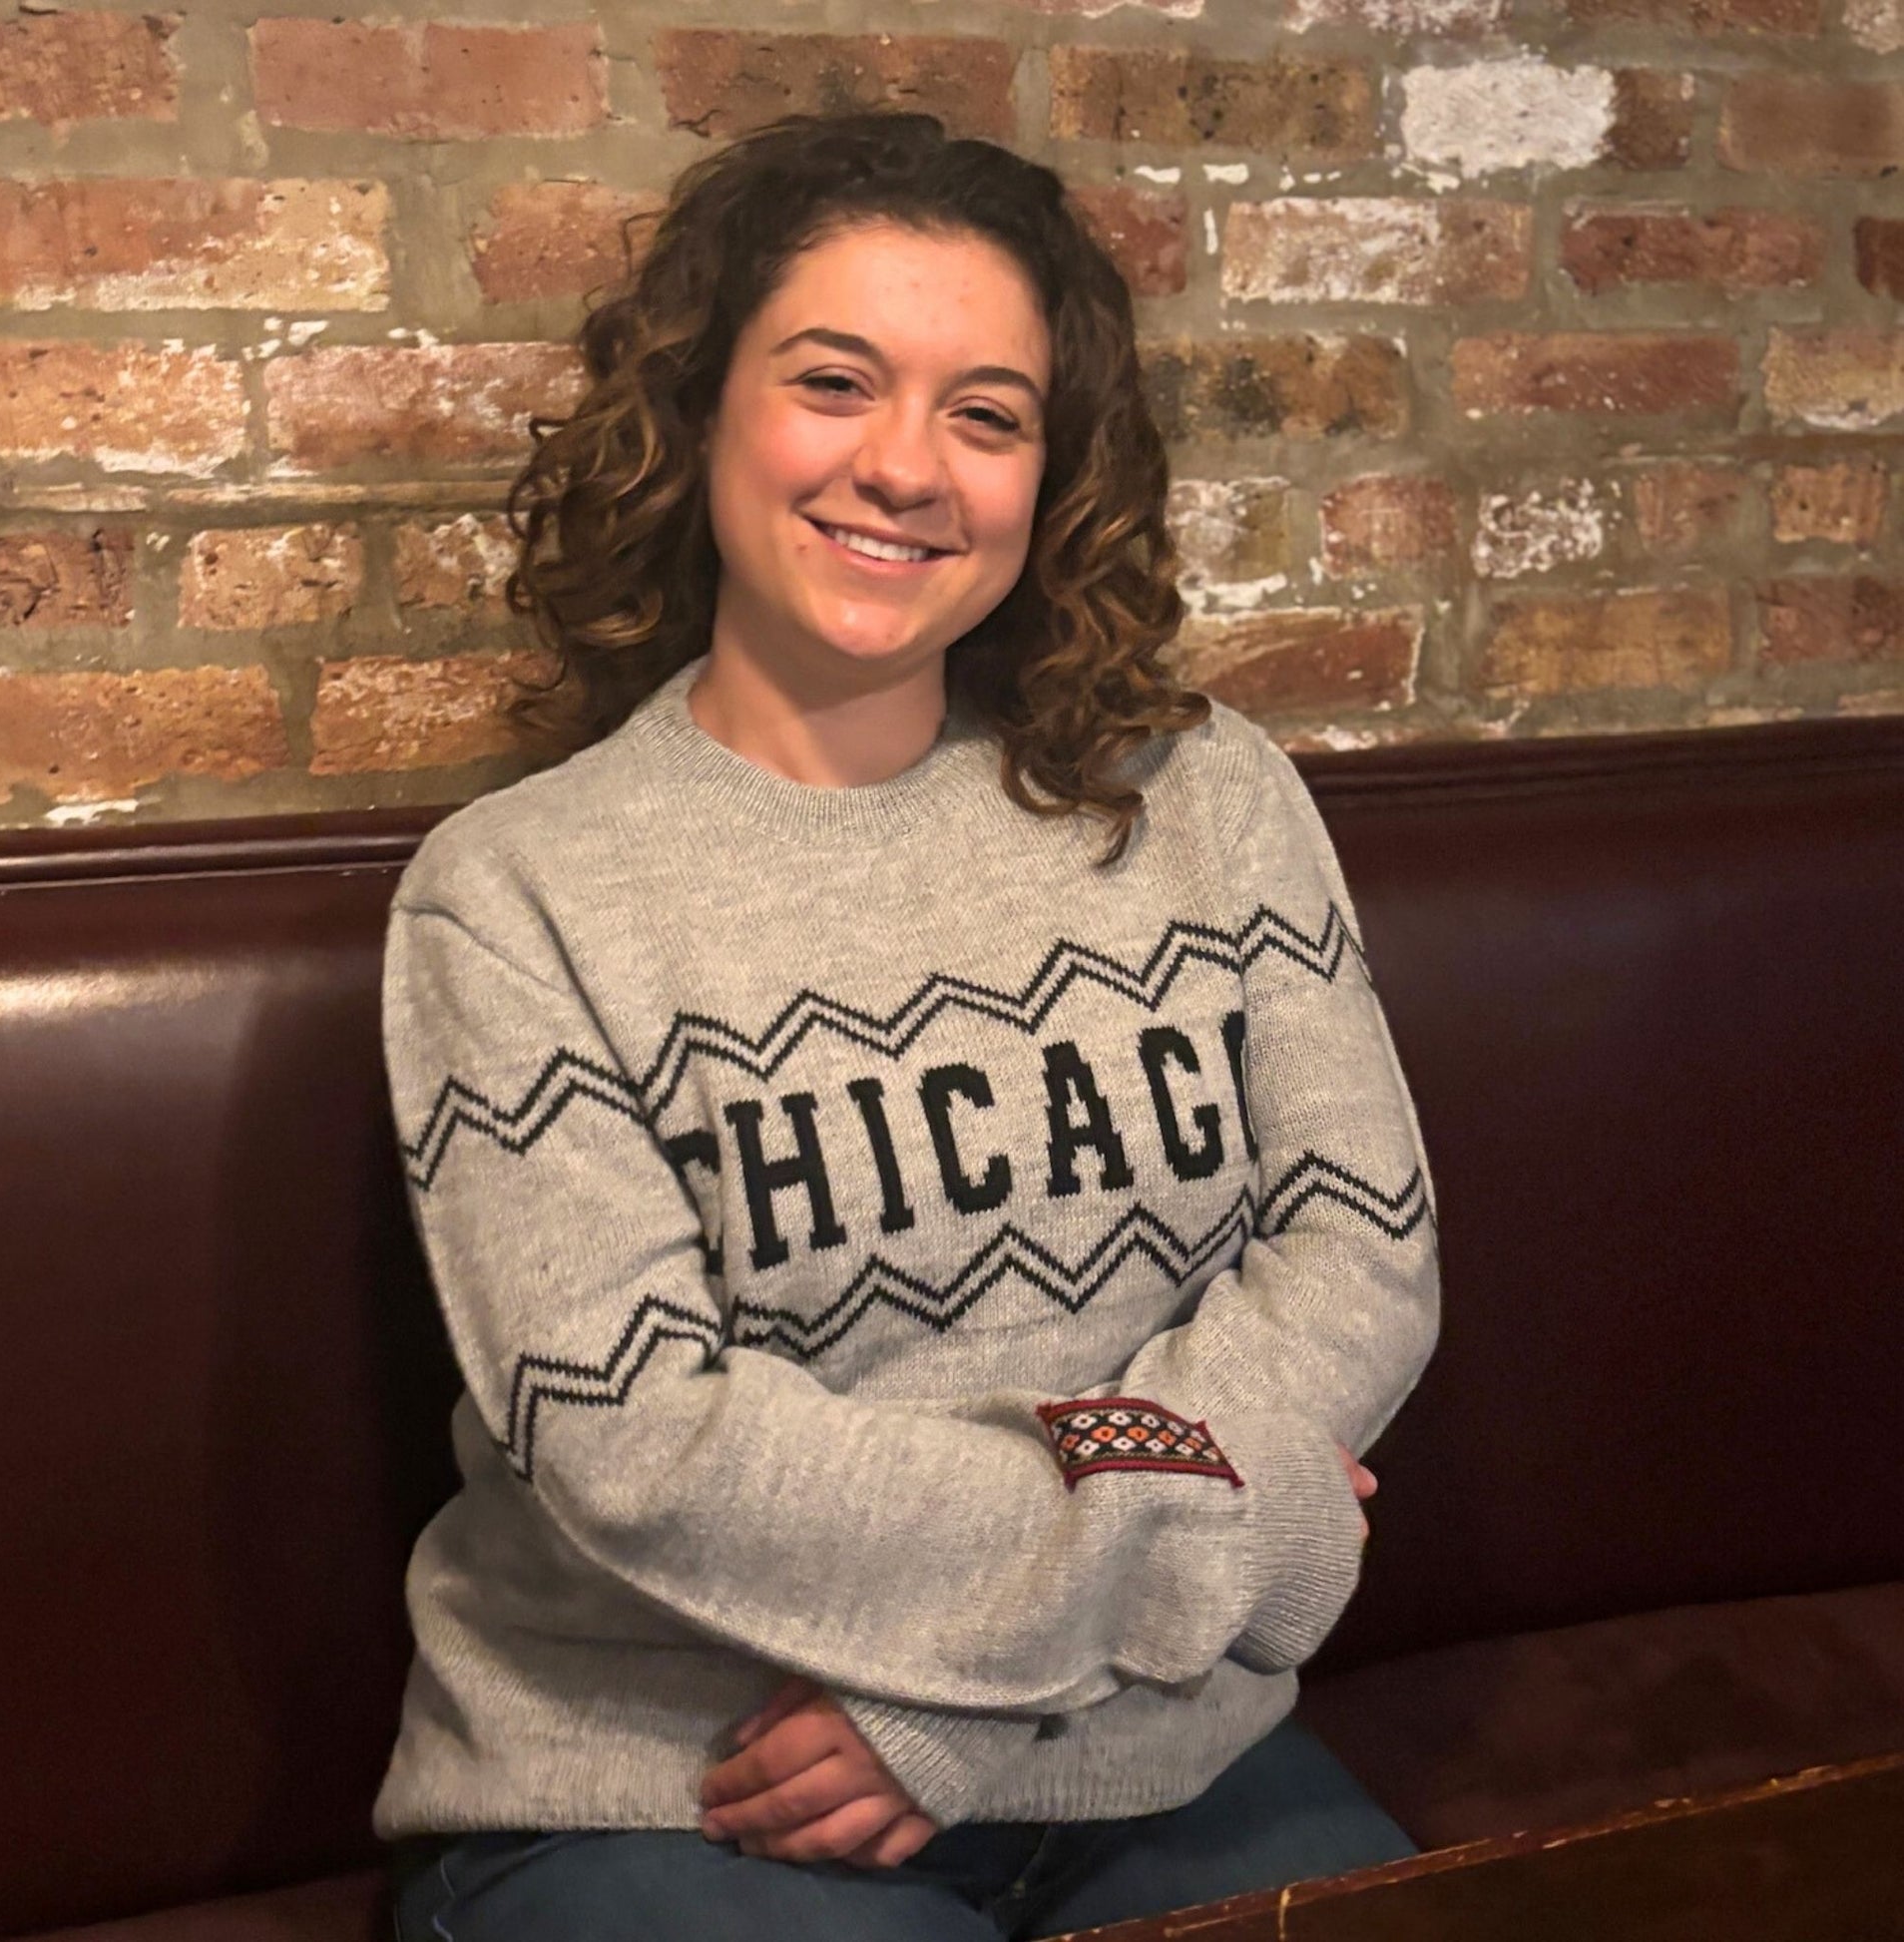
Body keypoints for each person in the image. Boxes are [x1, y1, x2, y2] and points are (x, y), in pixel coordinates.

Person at [378, 109, 1440, 1941]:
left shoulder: (1205, 795)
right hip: (675, 1789)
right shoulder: (514, 894)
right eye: (833, 382)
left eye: (987, 415)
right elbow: (645, 1445)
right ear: (700, 411)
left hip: (1152, 1742)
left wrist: (970, 1706)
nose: (903, 467)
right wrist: (1229, 1523)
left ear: (1052, 474)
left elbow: (1357, 1257)